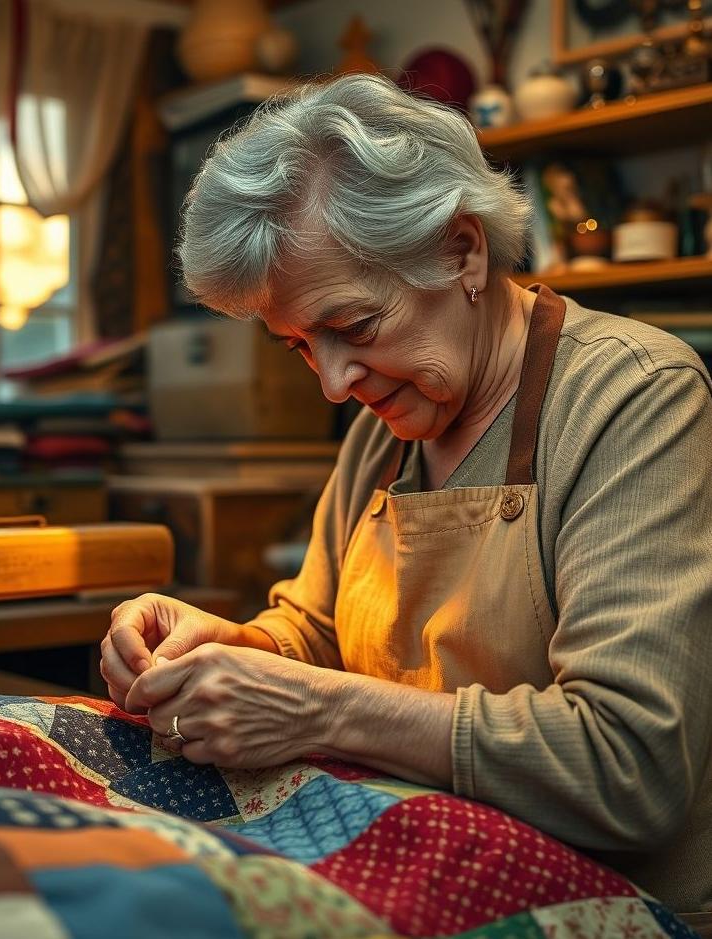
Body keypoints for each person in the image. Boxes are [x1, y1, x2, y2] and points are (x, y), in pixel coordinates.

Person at [99, 74, 712, 917]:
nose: (334, 384)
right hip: (431, 862)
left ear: (460, 251)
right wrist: (226, 644)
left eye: (353, 328)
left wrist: (317, 711)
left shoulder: (634, 397)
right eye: (297, 347)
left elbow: (630, 767)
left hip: (618, 904)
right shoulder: (386, 425)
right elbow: (314, 632)